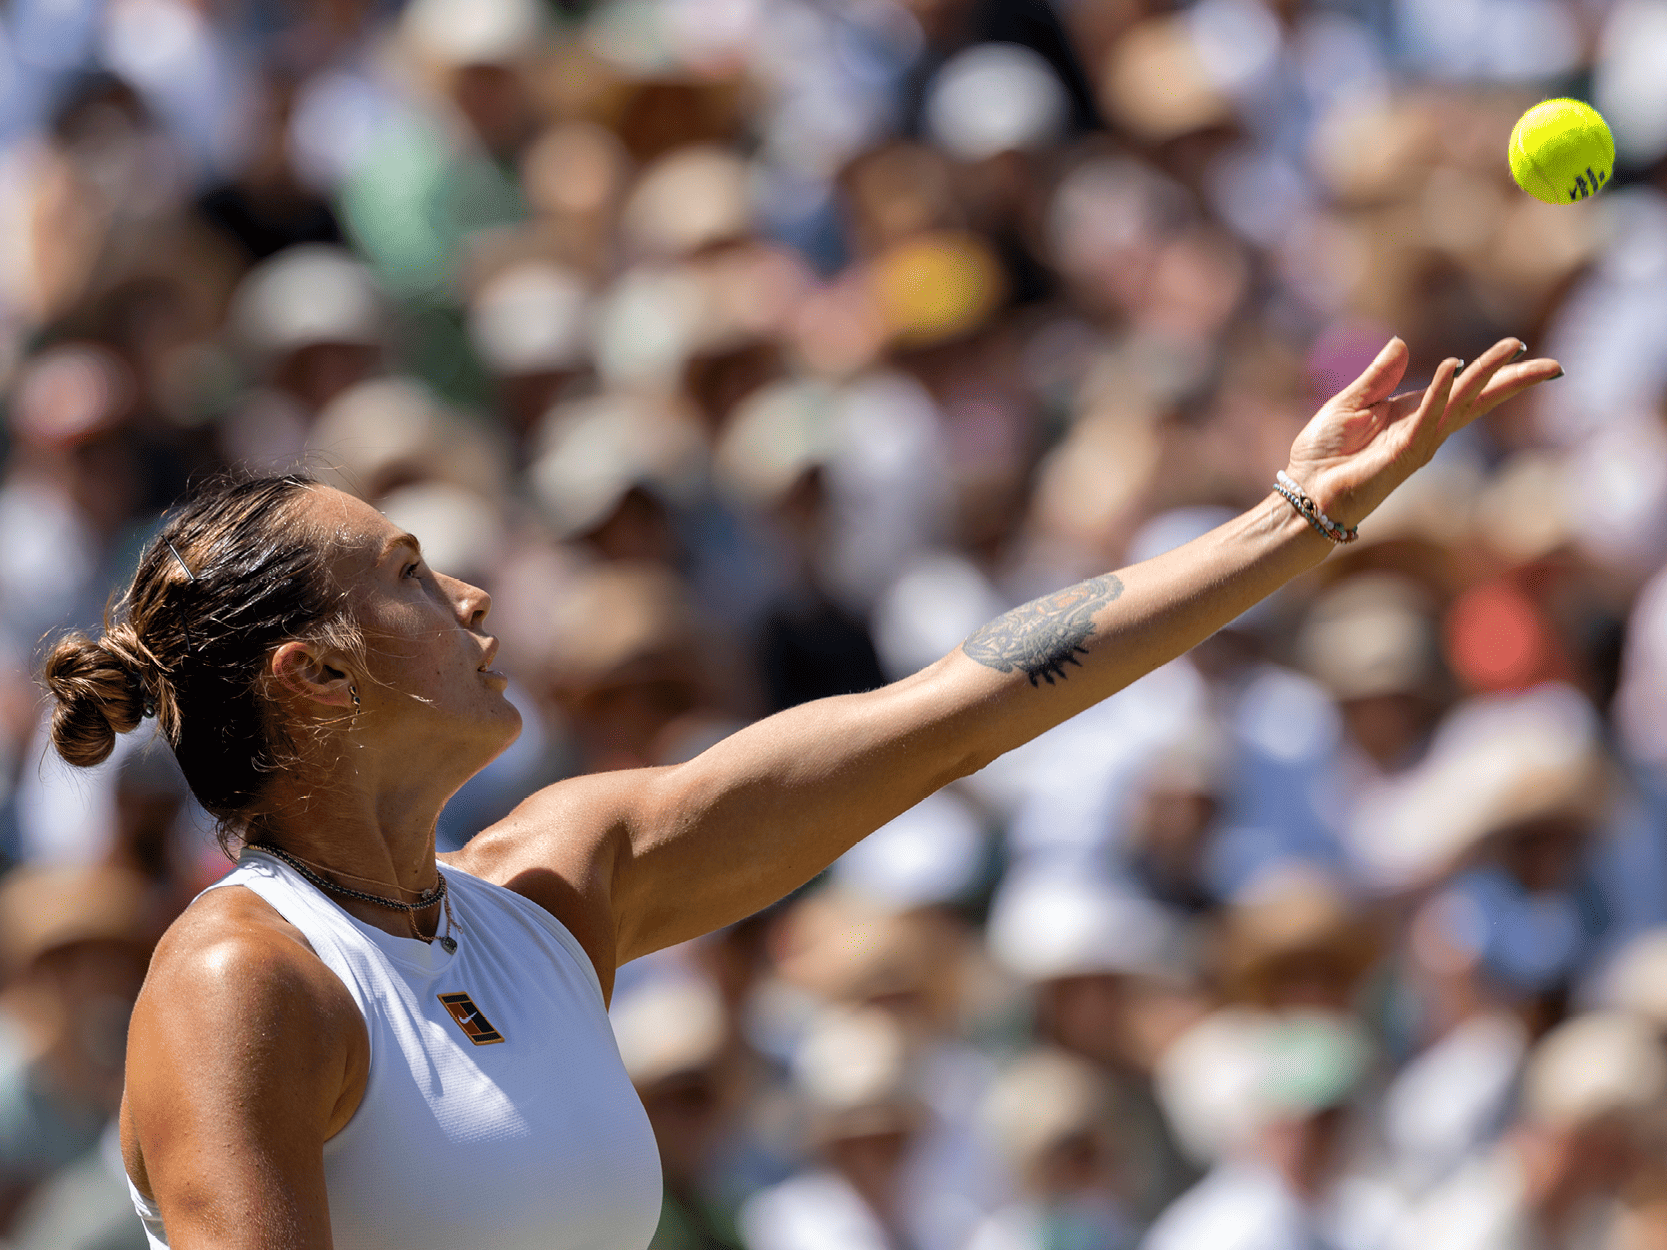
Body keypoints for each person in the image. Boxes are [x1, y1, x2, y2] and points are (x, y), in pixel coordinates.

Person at [36, 336, 1554, 1249]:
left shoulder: (561, 882)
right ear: (315, 676)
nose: (481, 598)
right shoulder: (244, 978)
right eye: (415, 577)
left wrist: (1291, 519)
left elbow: (955, 706)